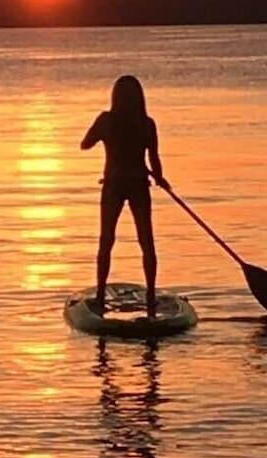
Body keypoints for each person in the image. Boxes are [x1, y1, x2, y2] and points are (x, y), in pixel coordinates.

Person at [81, 75, 170, 318]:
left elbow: (85, 144)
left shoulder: (107, 120)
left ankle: (100, 294)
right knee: (146, 241)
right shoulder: (147, 123)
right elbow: (154, 158)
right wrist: (160, 178)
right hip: (139, 184)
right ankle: (150, 294)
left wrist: (100, 132)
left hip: (114, 186)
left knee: (106, 240)